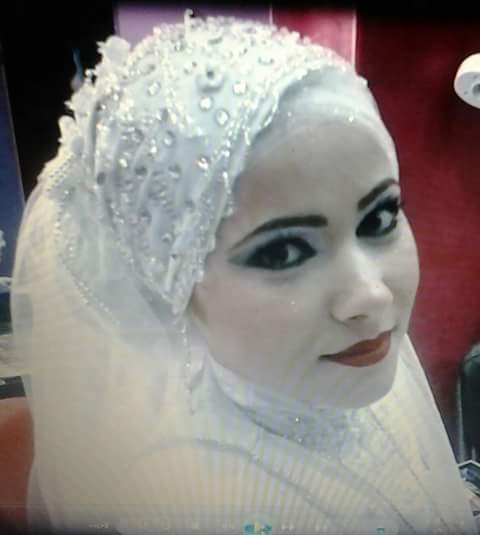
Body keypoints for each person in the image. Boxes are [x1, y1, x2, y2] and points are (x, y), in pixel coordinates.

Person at [10, 12, 477, 534]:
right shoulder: (201, 506)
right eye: (284, 253)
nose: (371, 294)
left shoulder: (347, 358)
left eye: (379, 218)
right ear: (173, 287)